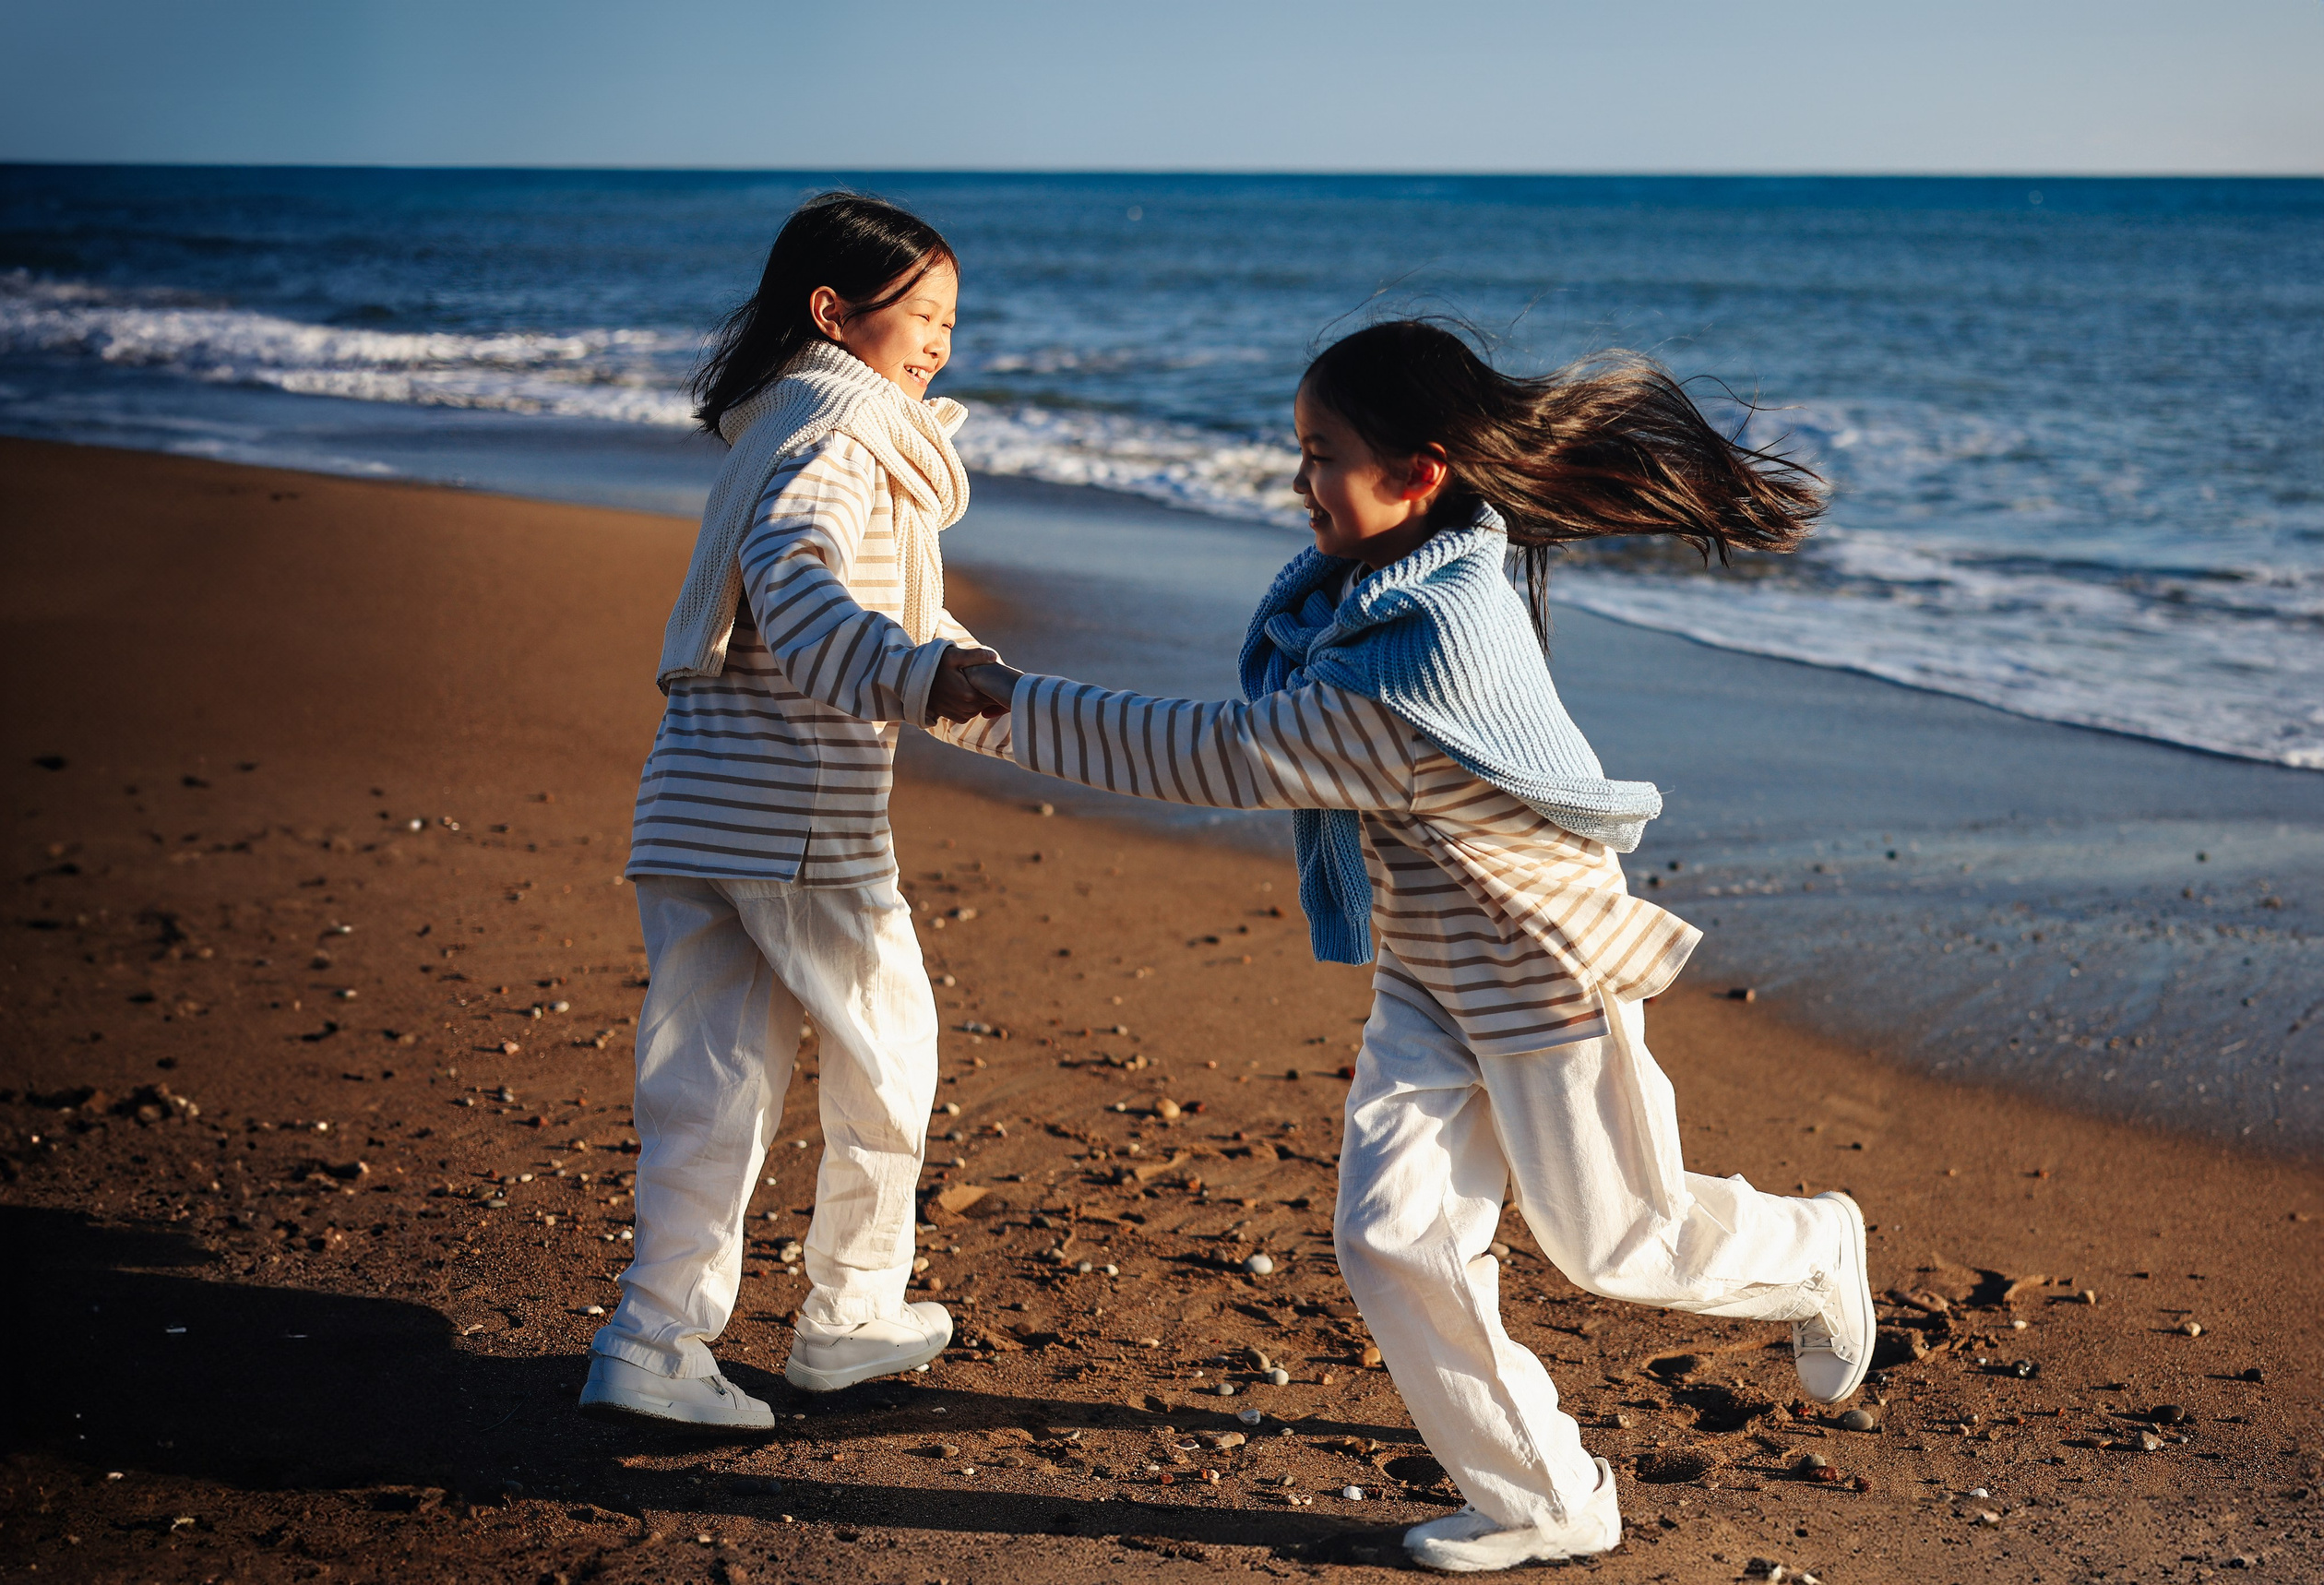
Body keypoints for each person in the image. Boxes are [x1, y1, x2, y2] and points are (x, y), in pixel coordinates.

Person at [956, 320, 1874, 1570]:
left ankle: (1819, 1245)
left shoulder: (1420, 649)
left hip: (1540, 970)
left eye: (1321, 453)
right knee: (1391, 1233)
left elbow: (1220, 754)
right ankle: (1547, 1496)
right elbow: (1260, 728)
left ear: (1422, 471)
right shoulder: (1392, 585)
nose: (1300, 481)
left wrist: (1004, 703)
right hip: (1435, 973)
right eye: (1300, 451)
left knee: (1619, 1240)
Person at [580, 193, 1008, 1431]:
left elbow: (878, 615)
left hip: (695, 808)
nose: (938, 340)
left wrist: (961, 671)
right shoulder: (840, 431)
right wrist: (924, 674)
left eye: (950, 318)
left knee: (708, 1083)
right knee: (891, 1054)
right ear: (835, 313)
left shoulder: (778, 421)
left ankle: (654, 1337)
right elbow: (804, 582)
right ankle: (852, 1310)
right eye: (919, 313)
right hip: (795, 814)